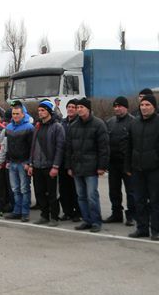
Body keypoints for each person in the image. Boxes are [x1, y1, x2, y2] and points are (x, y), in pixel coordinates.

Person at [65, 97, 109, 232]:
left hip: (91, 167)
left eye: (81, 107)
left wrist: (102, 166)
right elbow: (69, 149)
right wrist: (69, 166)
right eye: (77, 107)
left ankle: (96, 221)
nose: (79, 110)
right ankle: (86, 220)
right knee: (81, 196)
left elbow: (104, 148)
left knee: (91, 196)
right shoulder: (73, 126)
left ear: (88, 109)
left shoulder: (98, 124)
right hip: (77, 167)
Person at [126, 94, 159, 240]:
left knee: (155, 201)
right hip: (137, 169)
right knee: (139, 200)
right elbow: (128, 146)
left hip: (154, 169)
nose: (144, 108)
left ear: (154, 107)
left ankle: (156, 230)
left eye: (148, 105)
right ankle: (142, 228)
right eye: (142, 105)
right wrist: (128, 165)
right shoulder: (134, 123)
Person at [27, 100, 65, 226]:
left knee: (52, 193)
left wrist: (55, 166)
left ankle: (54, 217)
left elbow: (60, 148)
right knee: (39, 192)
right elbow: (32, 146)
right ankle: (44, 215)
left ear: (49, 111)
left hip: (50, 166)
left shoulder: (57, 127)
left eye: (43, 110)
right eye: (39, 110)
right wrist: (31, 163)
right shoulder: (37, 126)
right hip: (37, 165)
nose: (40, 112)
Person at [0, 101, 34, 222]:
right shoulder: (8, 127)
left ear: (23, 114)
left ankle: (25, 212)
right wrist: (7, 160)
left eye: (18, 113)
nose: (15, 116)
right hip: (12, 162)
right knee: (15, 189)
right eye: (13, 114)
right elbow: (7, 146)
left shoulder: (29, 128)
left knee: (24, 189)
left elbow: (32, 147)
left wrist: (29, 163)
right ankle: (17, 211)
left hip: (23, 162)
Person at [104, 96, 135, 225]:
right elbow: (105, 143)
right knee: (114, 190)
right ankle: (116, 213)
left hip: (128, 163)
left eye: (120, 106)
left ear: (126, 107)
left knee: (131, 191)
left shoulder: (134, 122)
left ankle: (132, 215)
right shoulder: (110, 122)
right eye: (115, 106)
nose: (117, 109)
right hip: (113, 163)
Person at [59, 99, 81, 222]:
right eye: (69, 106)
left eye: (73, 107)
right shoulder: (62, 123)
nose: (71, 109)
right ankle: (67, 211)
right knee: (64, 189)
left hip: (76, 162)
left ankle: (78, 212)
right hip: (63, 161)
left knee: (76, 189)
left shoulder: (80, 123)